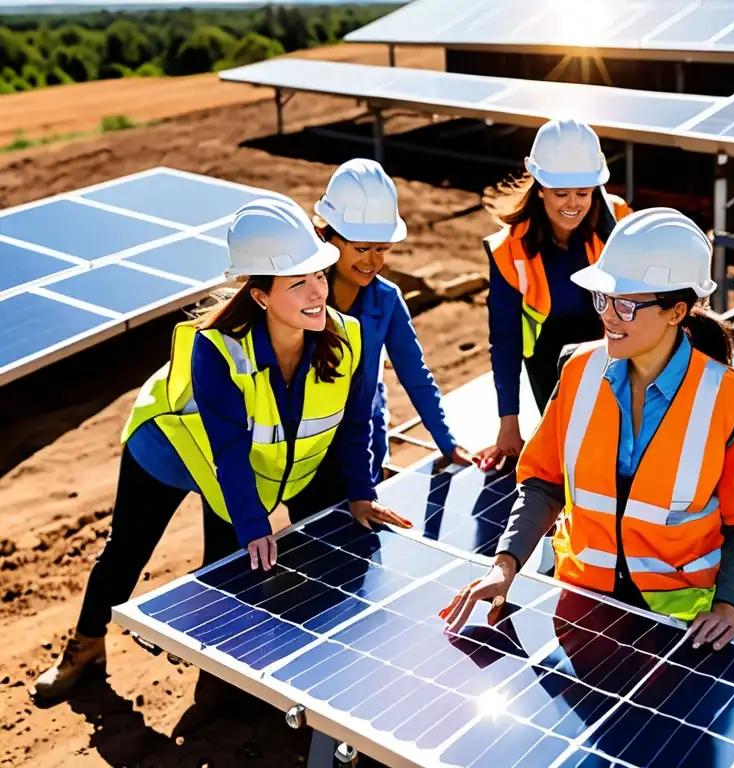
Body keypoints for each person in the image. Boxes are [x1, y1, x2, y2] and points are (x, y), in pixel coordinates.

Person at [34, 197, 410, 701]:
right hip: (171, 447)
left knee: (231, 562)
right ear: (259, 296)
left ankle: (218, 675)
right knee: (128, 550)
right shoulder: (216, 351)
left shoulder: (350, 338)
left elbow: (355, 423)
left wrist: (362, 492)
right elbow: (229, 450)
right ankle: (84, 647)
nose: (318, 291)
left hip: (241, 462)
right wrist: (255, 525)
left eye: (319, 274)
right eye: (297, 282)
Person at [441, 207, 734, 654]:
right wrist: (505, 565)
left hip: (694, 617)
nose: (609, 317)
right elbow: (543, 482)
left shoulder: (733, 400)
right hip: (594, 600)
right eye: (603, 300)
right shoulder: (578, 370)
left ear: (676, 311)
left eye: (625, 304)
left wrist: (729, 607)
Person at [312, 158, 476, 483]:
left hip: (366, 444)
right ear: (326, 235)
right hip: (312, 447)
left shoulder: (386, 299)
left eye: (382, 249)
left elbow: (415, 375)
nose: (372, 261)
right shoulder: (301, 297)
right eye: (361, 248)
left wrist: (447, 442)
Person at [481, 118, 633, 466]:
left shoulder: (620, 223)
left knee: (621, 451)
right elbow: (504, 340)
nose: (573, 204)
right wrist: (509, 424)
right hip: (549, 364)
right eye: (560, 193)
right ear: (539, 187)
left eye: (583, 193)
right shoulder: (509, 251)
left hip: (615, 348)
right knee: (572, 455)